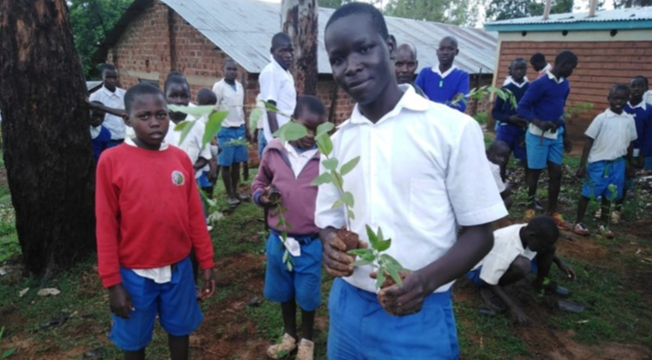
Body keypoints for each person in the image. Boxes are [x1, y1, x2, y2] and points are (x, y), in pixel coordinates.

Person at [318, 4, 508, 359]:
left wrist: (425, 281)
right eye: (338, 58)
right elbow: (329, 218)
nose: (352, 65)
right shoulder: (337, 141)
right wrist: (329, 240)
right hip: (347, 307)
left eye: (364, 48)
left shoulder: (450, 130)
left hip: (420, 310)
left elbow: (481, 234)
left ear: (389, 47)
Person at [95, 83, 216, 360]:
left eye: (161, 115)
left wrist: (206, 262)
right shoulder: (111, 161)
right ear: (127, 120)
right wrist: (113, 283)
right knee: (134, 342)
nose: (155, 123)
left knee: (180, 330)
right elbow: (105, 225)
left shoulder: (180, 159)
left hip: (179, 270)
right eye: (144, 116)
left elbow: (194, 217)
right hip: (134, 274)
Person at [252, 96, 326, 360]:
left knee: (307, 294)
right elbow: (259, 183)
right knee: (284, 292)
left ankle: (307, 340)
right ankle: (289, 335)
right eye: (306, 127)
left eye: (318, 130)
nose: (311, 135)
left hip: (310, 242)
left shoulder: (324, 157)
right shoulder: (274, 150)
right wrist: (262, 196)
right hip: (279, 240)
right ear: (292, 121)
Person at [467, 216, 576, 325]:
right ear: (531, 237)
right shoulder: (506, 245)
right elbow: (488, 279)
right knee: (522, 266)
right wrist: (512, 307)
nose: (543, 249)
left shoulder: (529, 232)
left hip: (507, 259)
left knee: (550, 248)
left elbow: (547, 247)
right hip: (480, 271)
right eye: (542, 246)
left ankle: (541, 282)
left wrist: (558, 262)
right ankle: (489, 291)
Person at [517, 51, 577, 228]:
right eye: (571, 68)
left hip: (555, 135)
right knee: (534, 172)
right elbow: (522, 108)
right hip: (537, 135)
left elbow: (560, 111)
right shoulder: (540, 83)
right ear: (562, 64)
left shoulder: (565, 85)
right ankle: (530, 206)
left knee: (556, 173)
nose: (572, 72)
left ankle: (552, 211)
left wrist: (565, 135)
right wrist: (539, 122)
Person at [573, 84, 637, 239]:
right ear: (609, 99)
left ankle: (603, 224)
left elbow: (630, 144)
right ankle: (579, 222)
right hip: (598, 163)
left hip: (618, 164)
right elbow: (589, 141)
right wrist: (582, 165)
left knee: (610, 195)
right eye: (615, 98)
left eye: (622, 98)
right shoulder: (601, 118)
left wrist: (630, 165)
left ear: (628, 100)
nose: (618, 101)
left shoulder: (629, 120)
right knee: (588, 193)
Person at [213, 59, 252, 206]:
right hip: (225, 129)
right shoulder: (219, 87)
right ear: (223, 70)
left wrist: (246, 128)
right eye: (229, 69)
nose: (232, 72)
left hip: (239, 129)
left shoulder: (240, 86)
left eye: (234, 70)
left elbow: (242, 109)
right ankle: (229, 195)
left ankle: (235, 191)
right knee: (225, 164)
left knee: (237, 163)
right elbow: (215, 109)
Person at [259, 33, 297, 151]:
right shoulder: (272, 72)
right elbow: (271, 108)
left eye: (290, 51)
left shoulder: (285, 73)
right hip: (277, 139)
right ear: (272, 51)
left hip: (288, 135)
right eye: (283, 51)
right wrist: (277, 141)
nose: (288, 55)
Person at [493, 58, 530, 172]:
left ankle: (529, 188)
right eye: (516, 69)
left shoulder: (530, 88)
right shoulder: (505, 90)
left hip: (523, 131)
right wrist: (509, 118)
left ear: (526, 70)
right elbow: (495, 112)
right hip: (506, 130)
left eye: (522, 69)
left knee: (527, 162)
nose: (519, 72)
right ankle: (500, 185)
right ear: (511, 70)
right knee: (501, 160)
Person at [415, 36, 470, 112]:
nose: (445, 52)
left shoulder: (462, 76)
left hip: (449, 122)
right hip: (426, 122)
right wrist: (449, 103)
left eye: (450, 49)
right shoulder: (425, 73)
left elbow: (461, 105)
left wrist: (428, 104)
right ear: (437, 52)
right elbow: (415, 99)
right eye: (442, 49)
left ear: (456, 52)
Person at [89, 64, 128, 147]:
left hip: (125, 139)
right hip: (107, 140)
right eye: (108, 77)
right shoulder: (96, 96)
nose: (112, 80)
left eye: (115, 77)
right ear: (101, 77)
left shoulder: (124, 94)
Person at [196, 88, 220, 200]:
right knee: (205, 190)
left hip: (205, 162)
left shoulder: (204, 118)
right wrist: (212, 166)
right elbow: (204, 146)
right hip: (204, 164)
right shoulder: (201, 122)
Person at [487, 141, 514, 210]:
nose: (502, 160)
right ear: (488, 154)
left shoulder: (483, 162)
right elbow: (502, 192)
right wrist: (507, 186)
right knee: (507, 200)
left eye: (505, 157)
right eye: (499, 156)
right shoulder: (494, 167)